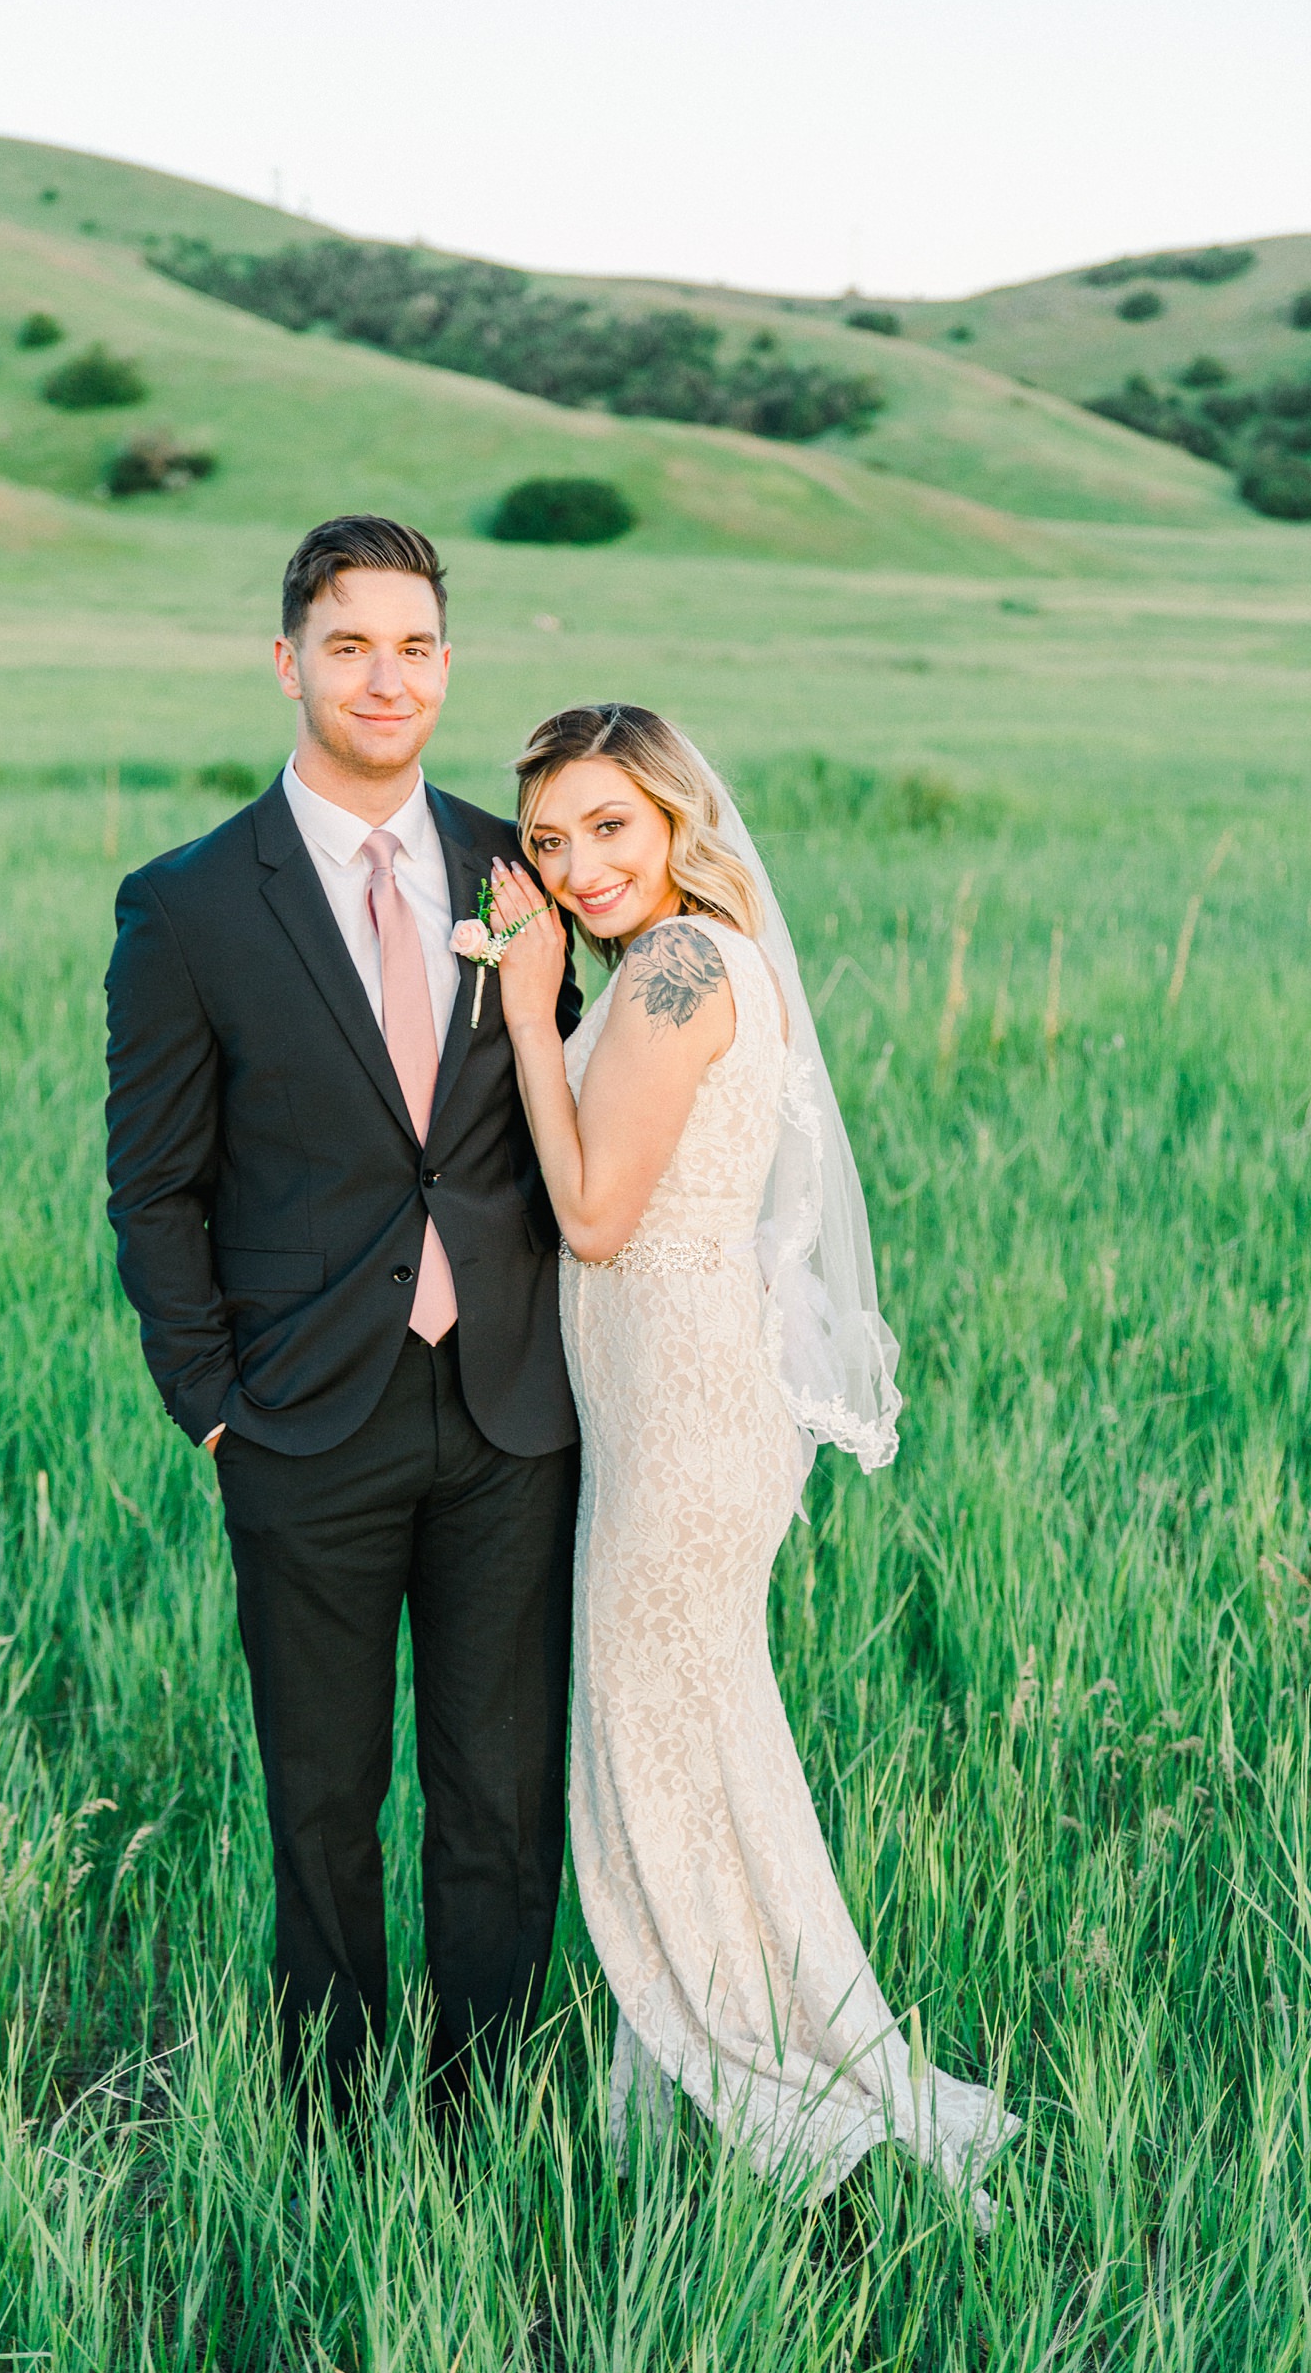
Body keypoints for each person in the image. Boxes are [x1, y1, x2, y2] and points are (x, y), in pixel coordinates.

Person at [490, 702, 1018, 2217]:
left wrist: (532, 1012)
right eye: (547, 842)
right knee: (701, 1747)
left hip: (688, 1421)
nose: (579, 867)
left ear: (674, 821)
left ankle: (772, 2095)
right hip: (670, 1412)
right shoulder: (691, 960)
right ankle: (724, 2079)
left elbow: (593, 1218)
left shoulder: (672, 964)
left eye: (608, 827)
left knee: (654, 1749)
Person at [104, 517, 580, 2119]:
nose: (391, 677)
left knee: (501, 1795)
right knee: (322, 1796)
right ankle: (327, 2121)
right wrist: (212, 1403)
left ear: (450, 666)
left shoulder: (516, 875)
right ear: (289, 659)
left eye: (421, 646)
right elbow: (155, 1188)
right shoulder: (187, 907)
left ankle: (488, 2115)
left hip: (512, 1410)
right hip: (302, 1418)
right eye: (355, 643)